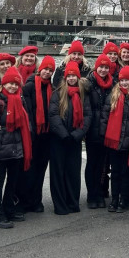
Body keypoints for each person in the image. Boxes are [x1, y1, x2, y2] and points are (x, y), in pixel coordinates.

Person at [0, 67, 33, 229]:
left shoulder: (20, 99)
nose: (13, 86)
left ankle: (8, 208)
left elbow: (26, 123)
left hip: (16, 146)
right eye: (10, 83)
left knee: (12, 181)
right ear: (4, 83)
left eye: (16, 84)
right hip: (1, 147)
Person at [48, 62, 91, 215]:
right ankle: (60, 205)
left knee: (73, 172)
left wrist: (78, 134)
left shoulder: (82, 94)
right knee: (58, 172)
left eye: (74, 76)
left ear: (78, 78)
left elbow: (87, 115)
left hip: (75, 139)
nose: (72, 78)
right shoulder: (58, 93)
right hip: (59, 139)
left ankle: (72, 202)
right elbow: (53, 115)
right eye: (69, 76)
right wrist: (63, 134)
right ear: (65, 77)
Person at [101, 66, 129, 212]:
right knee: (115, 172)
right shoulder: (113, 95)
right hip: (114, 141)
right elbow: (105, 117)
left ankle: (123, 200)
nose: (124, 83)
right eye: (122, 80)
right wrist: (104, 135)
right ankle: (114, 199)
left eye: (127, 80)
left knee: (126, 173)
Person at [19, 55, 56, 213]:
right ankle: (25, 200)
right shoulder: (29, 86)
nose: (47, 72)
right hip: (32, 133)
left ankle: (36, 200)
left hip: (46, 135)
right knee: (29, 168)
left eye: (50, 70)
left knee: (41, 168)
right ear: (40, 70)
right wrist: (31, 130)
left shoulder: (51, 88)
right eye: (45, 69)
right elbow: (26, 110)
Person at [84, 54, 114, 209]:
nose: (103, 70)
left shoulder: (112, 84)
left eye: (106, 67)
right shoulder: (89, 83)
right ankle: (91, 194)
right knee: (92, 163)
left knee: (103, 164)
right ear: (96, 67)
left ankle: (100, 193)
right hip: (93, 129)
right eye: (101, 67)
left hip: (107, 129)